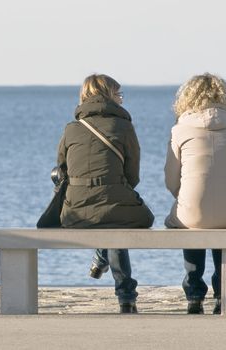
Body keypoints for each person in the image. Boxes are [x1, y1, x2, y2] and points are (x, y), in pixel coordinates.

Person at [57, 74, 154, 313]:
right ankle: (126, 295)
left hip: (75, 211)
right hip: (114, 205)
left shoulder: (71, 129)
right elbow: (133, 176)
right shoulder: (124, 126)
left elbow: (61, 171)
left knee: (109, 218)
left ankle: (102, 259)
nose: (121, 99)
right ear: (109, 96)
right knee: (118, 218)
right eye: (119, 94)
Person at [164, 73, 226, 314]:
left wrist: (185, 197)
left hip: (192, 215)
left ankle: (194, 292)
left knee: (190, 216)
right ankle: (221, 291)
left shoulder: (180, 130)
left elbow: (170, 179)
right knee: (225, 220)